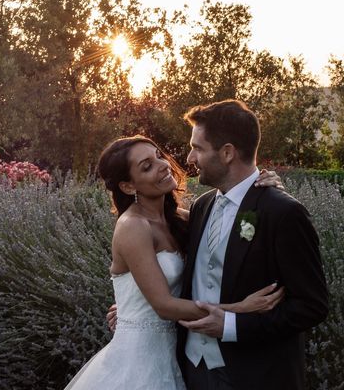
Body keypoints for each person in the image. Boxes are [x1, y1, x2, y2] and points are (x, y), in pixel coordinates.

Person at [65, 134, 285, 390]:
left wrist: (268, 191)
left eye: (158, 155)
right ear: (128, 186)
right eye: (147, 166)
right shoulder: (132, 226)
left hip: (177, 354)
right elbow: (164, 306)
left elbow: (233, 230)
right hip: (138, 362)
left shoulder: (181, 218)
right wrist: (240, 308)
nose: (162, 165)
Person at [175, 100, 328, 389]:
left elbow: (312, 306)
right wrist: (137, 305)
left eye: (198, 148)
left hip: (255, 376)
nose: (190, 157)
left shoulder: (283, 212)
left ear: (228, 153)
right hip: (193, 368)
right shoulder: (202, 206)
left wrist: (232, 326)